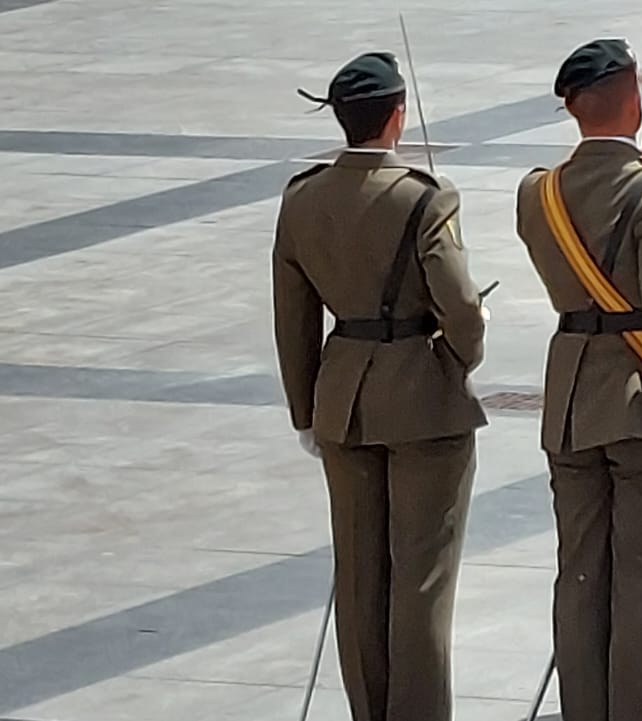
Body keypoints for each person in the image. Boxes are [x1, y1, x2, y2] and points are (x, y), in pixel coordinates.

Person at [272, 52, 488, 721]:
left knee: (361, 574)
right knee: (421, 577)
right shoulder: (425, 196)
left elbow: (294, 317)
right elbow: (461, 308)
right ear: (397, 116)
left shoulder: (302, 198)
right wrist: (458, 356)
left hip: (343, 400)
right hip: (421, 396)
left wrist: (306, 409)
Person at [514, 38, 642, 721]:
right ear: (632, 101)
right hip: (641, 398)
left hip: (571, 396)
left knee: (579, 578)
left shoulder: (537, 190)